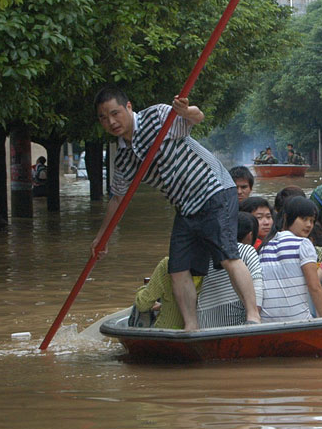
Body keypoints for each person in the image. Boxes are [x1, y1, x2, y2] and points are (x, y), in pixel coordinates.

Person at [90, 86, 261, 329]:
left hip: (213, 190)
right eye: (104, 118)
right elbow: (117, 198)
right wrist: (102, 237)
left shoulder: (157, 116)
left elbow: (196, 117)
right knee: (178, 268)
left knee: (227, 256)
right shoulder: (124, 159)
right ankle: (191, 327)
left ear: (128, 107)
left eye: (115, 113)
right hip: (185, 206)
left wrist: (185, 110)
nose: (111, 122)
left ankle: (253, 317)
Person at [259, 196, 322, 321]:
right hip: (298, 320)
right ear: (287, 218)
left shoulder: (264, 246)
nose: (309, 225)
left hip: (265, 321)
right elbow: (314, 287)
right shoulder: (303, 244)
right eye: (304, 219)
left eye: (312, 221)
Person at [197, 212, 263, 327]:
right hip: (234, 321)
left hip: (203, 320)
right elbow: (257, 296)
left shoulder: (207, 255)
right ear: (250, 235)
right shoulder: (247, 250)